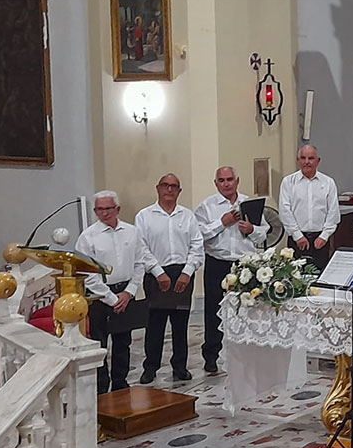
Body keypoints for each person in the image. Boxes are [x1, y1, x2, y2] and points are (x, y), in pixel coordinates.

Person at [194, 166, 268, 375]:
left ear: (237, 180)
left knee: (247, 309)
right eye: (221, 180)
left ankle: (247, 352)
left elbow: (264, 233)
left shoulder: (249, 203)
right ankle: (211, 355)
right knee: (213, 311)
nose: (226, 184)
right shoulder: (206, 206)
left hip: (244, 264)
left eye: (230, 179)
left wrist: (252, 230)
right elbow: (199, 235)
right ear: (215, 183)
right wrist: (222, 222)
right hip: (218, 263)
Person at [136, 173, 204, 384]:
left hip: (182, 274)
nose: (169, 190)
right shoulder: (144, 216)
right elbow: (141, 248)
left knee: (180, 325)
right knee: (155, 325)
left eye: (174, 186)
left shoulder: (188, 216)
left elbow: (197, 245)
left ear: (179, 191)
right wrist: (158, 272)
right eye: (165, 185)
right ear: (158, 188)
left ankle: (180, 366)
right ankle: (151, 367)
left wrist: (187, 272)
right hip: (156, 275)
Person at [75, 191, 146, 394]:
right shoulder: (88, 236)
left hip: (125, 291)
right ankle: (101, 386)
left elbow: (140, 263)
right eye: (99, 209)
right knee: (100, 342)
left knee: (124, 341)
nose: (104, 213)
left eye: (108, 208)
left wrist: (129, 292)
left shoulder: (132, 232)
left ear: (117, 209)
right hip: (100, 296)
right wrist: (112, 299)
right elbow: (86, 272)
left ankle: (120, 383)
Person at [278, 145, 341, 271]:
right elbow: (285, 211)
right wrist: (297, 235)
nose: (306, 162)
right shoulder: (288, 182)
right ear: (297, 160)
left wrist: (324, 236)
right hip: (297, 240)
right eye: (303, 158)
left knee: (320, 280)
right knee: (296, 279)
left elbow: (333, 212)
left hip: (320, 240)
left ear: (318, 161)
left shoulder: (328, 182)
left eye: (311, 158)